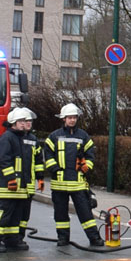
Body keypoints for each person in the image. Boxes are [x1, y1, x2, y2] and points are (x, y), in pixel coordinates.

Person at [41, 103, 105, 247]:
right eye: (69, 117)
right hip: (59, 183)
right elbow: (48, 154)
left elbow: (90, 155)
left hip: (78, 183)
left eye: (74, 117)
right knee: (61, 214)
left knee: (85, 213)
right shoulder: (54, 136)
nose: (72, 120)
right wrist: (55, 169)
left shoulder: (83, 136)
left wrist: (86, 166)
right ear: (64, 118)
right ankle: (63, 238)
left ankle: (94, 238)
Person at [0, 107, 39, 252]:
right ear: (13, 123)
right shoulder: (7, 137)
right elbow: (4, 160)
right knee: (4, 213)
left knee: (16, 215)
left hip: (20, 186)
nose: (24, 124)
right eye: (21, 121)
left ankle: (11, 240)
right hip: (9, 185)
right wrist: (11, 178)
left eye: (25, 121)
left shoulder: (21, 138)